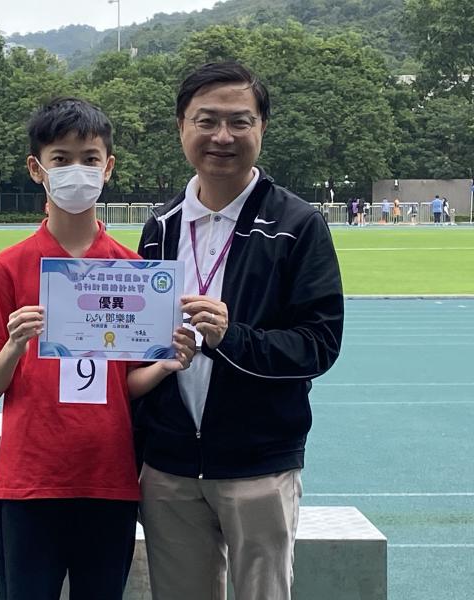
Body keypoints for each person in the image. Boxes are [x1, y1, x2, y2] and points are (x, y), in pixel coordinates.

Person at [0, 97, 196, 600]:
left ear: (108, 168)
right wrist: (15, 345)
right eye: (61, 158)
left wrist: (165, 365)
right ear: (37, 169)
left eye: (90, 159)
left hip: (108, 481)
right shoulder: (8, 267)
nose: (77, 171)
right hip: (29, 483)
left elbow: (124, 386)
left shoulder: (131, 270)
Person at [135, 61, 345, 600]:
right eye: (206, 121)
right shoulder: (160, 226)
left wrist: (233, 337)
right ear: (181, 125)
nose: (222, 137)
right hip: (171, 465)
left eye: (239, 122)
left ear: (261, 129)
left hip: (258, 462)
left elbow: (320, 344)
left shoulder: (298, 225)